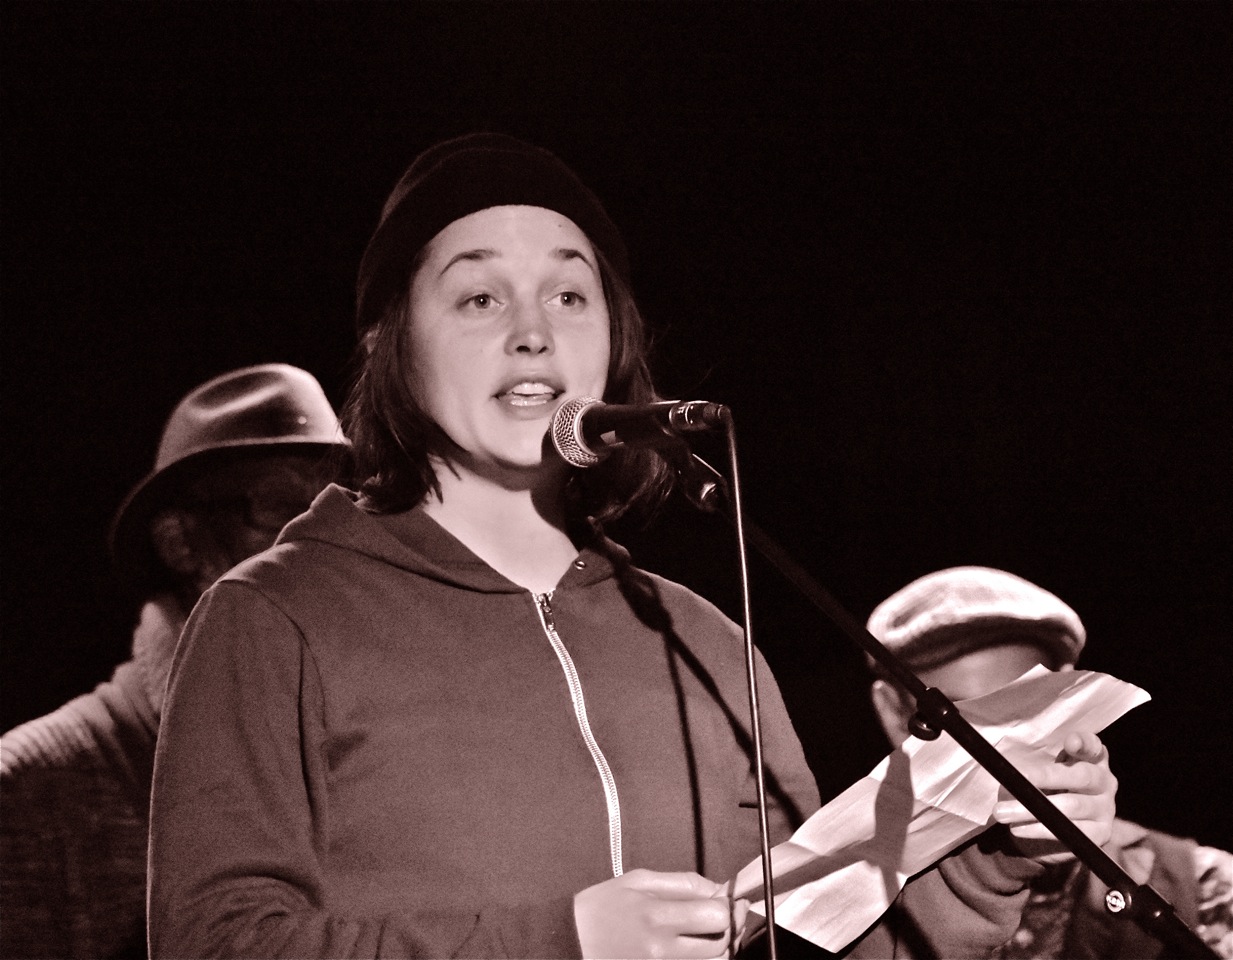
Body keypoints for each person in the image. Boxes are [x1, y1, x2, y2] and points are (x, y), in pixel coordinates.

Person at [146, 133, 1120, 960]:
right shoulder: (273, 618)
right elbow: (214, 941)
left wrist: (1002, 853)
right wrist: (560, 942)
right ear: (392, 342)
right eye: (479, 297)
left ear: (615, 342)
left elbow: (811, 938)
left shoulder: (700, 639)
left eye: (570, 296)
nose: (533, 333)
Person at [0, 363, 347, 960]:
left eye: (342, 508)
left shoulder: (367, 757)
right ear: (180, 543)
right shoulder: (28, 793)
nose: (327, 538)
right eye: (280, 508)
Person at [866, 565, 1232, 959]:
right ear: (892, 713)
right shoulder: (855, 899)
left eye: (1024, 706)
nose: (995, 748)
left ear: (1070, 693)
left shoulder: (1199, 885)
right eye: (956, 718)